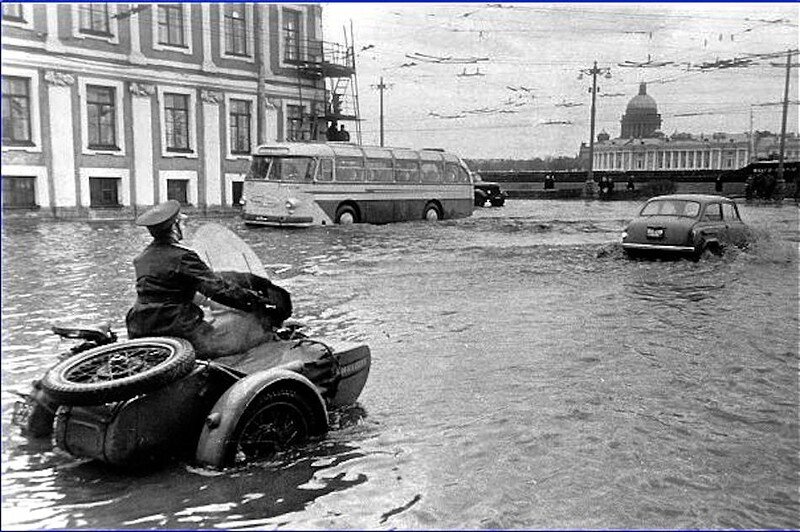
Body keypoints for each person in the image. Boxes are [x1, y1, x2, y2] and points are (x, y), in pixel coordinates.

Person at [126, 200, 279, 358]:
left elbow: (164, 291)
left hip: (139, 327)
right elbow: (218, 290)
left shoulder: (141, 258)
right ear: (174, 227)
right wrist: (256, 301)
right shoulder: (183, 257)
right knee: (245, 340)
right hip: (176, 327)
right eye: (182, 222)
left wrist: (206, 301)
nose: (185, 226)